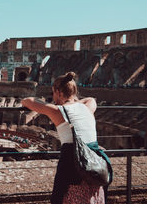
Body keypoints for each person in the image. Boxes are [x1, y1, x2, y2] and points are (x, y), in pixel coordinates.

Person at [21, 71, 112, 204]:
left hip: (74, 164)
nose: (53, 96)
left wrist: (55, 104)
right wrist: (74, 101)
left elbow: (28, 101)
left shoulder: (58, 111)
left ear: (58, 92)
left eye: (53, 92)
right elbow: (91, 99)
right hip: (95, 165)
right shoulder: (87, 108)